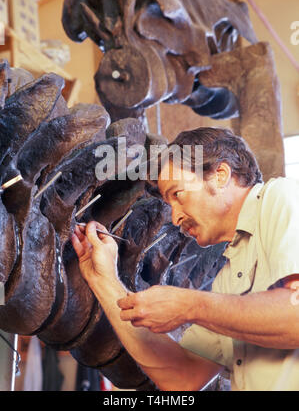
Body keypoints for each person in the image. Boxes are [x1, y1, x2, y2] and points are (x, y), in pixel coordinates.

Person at [71, 127, 299, 391]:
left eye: (178, 194)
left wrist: (190, 305)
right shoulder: (227, 280)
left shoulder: (282, 197)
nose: (176, 219)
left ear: (220, 175)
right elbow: (182, 376)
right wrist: (104, 279)